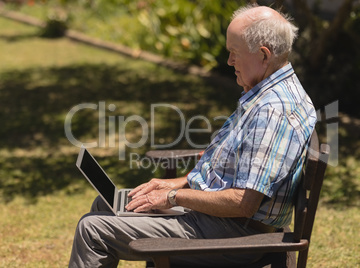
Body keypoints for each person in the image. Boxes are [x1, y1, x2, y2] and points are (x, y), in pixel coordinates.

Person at [69, 4, 316, 268]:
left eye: (234, 53)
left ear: (264, 55)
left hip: (232, 236)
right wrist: (175, 184)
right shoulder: (271, 92)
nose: (229, 62)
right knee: (106, 204)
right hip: (220, 221)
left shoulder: (273, 111)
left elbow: (242, 203)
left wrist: (174, 197)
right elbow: (231, 172)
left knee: (92, 230)